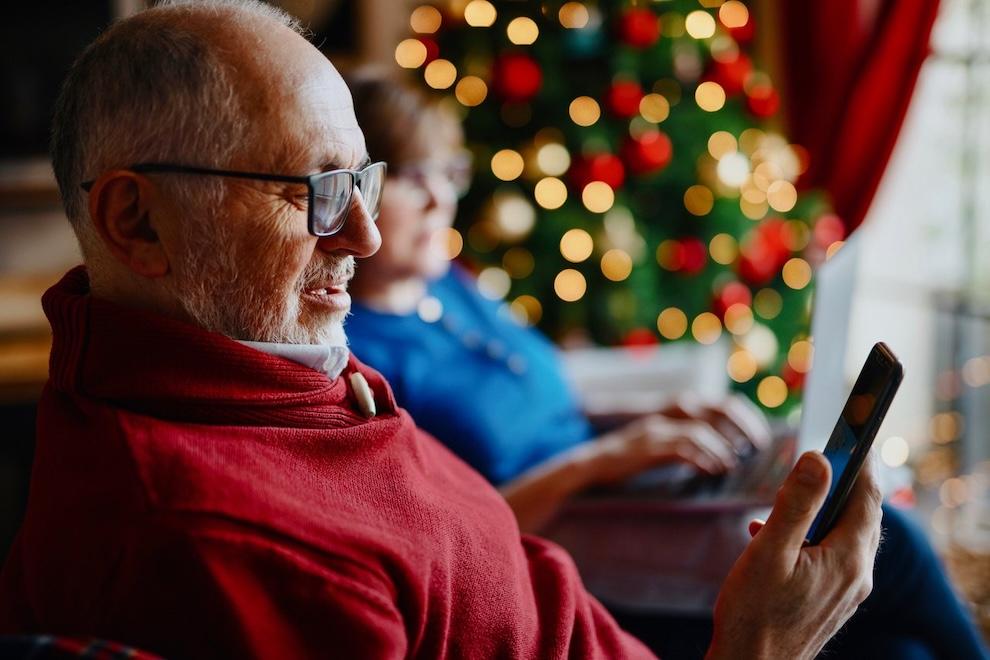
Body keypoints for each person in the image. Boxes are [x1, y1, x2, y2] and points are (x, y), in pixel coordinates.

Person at [0, 2, 884, 658]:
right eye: (313, 193)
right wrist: (760, 648)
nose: (365, 235)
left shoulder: (271, 366)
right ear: (138, 223)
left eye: (363, 182)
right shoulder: (220, 546)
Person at [345, 73, 990, 659]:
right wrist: (612, 456)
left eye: (448, 171)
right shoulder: (359, 355)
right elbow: (447, 537)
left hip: (632, 492)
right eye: (410, 175)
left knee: (902, 649)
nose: (440, 199)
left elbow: (558, 407)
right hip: (571, 543)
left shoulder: (452, 287)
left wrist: (657, 420)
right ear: (358, 187)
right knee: (891, 542)